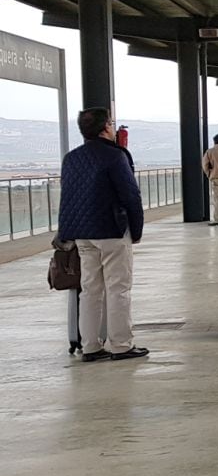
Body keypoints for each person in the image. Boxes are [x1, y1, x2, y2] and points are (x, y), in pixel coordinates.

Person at [57, 107, 148, 361]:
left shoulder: (71, 158)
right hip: (111, 231)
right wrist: (137, 230)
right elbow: (131, 196)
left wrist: (66, 232)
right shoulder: (115, 157)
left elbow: (68, 198)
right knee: (118, 288)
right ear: (106, 127)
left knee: (90, 289)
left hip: (82, 234)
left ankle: (90, 346)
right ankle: (121, 344)